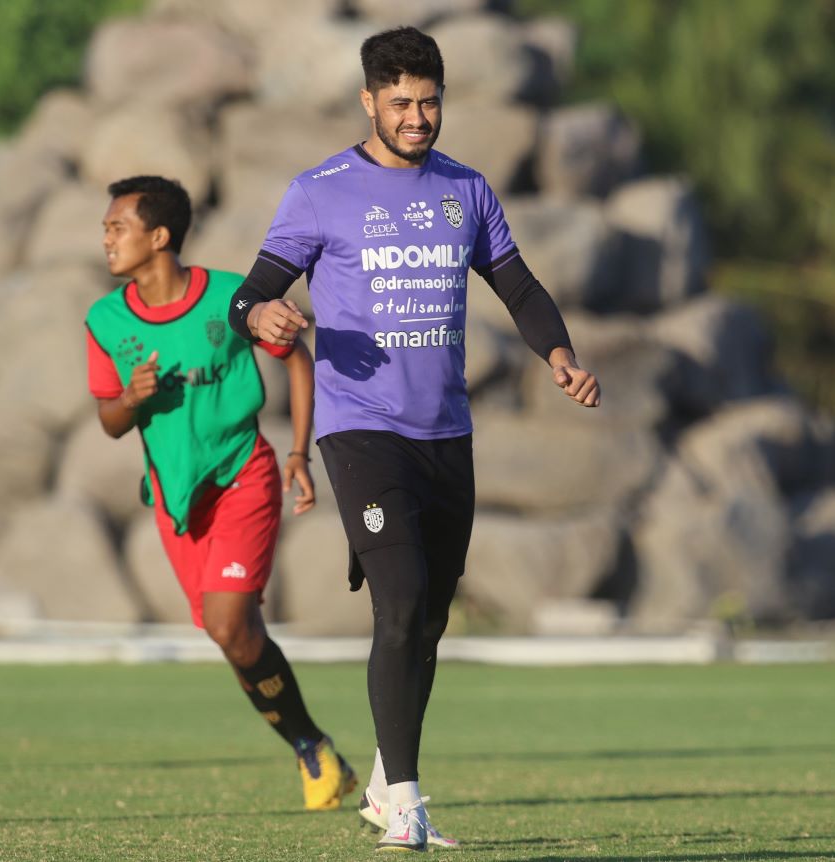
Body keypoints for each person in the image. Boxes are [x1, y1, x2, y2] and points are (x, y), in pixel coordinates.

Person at [228, 26, 600, 851]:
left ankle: (384, 780)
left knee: (426, 620)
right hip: (360, 428)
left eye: (429, 102)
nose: (417, 118)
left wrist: (559, 354)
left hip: (446, 433)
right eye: (400, 103)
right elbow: (247, 296)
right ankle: (405, 805)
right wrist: (262, 316)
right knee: (397, 603)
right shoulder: (320, 191)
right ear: (369, 101)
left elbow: (518, 285)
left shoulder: (465, 189)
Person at [85, 175, 357, 812]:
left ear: (159, 236)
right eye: (105, 229)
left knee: (227, 622)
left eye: (117, 227)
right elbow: (109, 421)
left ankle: (312, 751)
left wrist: (298, 453)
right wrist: (131, 398)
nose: (107, 239)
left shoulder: (232, 298)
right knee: (232, 636)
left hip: (243, 476)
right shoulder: (104, 320)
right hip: (174, 498)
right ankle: (315, 747)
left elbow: (297, 358)